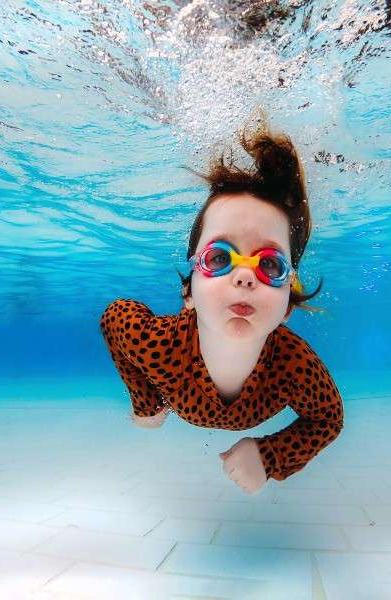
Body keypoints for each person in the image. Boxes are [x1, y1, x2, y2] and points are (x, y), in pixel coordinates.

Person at [99, 115, 344, 495]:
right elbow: (116, 318)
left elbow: (327, 418)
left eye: (269, 265)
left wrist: (270, 456)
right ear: (190, 292)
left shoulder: (292, 365)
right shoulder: (160, 345)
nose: (245, 277)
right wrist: (146, 403)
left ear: (287, 307)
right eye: (218, 259)